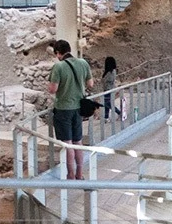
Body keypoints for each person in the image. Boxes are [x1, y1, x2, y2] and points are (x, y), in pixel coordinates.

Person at [46, 39, 92, 179]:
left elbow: (53, 89)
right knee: (78, 142)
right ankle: (80, 173)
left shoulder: (58, 66)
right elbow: (90, 83)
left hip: (63, 108)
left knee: (68, 144)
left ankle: (70, 174)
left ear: (58, 53)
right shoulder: (83, 63)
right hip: (79, 108)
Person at [101, 56, 121, 122]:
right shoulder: (108, 71)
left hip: (109, 89)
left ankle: (119, 112)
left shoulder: (112, 71)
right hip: (106, 89)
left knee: (107, 103)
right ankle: (106, 117)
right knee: (107, 104)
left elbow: (109, 80)